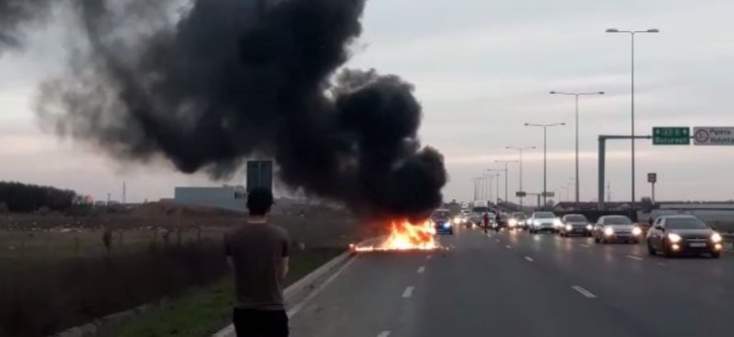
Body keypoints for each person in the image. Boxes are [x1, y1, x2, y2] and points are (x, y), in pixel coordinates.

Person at [225, 188, 290, 337]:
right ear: (269, 208)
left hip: (244, 312)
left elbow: (233, 267)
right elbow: (283, 271)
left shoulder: (231, 235)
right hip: (273, 311)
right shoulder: (281, 235)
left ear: (248, 206)